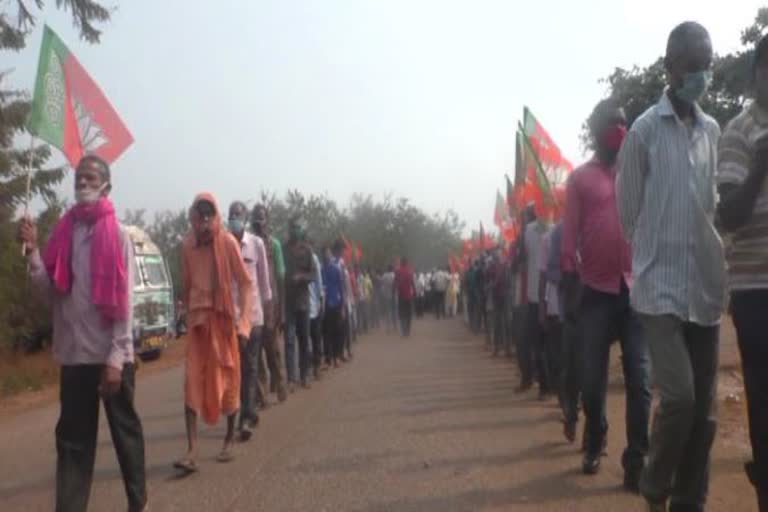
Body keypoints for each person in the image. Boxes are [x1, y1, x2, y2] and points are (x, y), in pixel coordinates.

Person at [617, 22, 725, 512]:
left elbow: (713, 205)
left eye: (707, 65)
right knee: (679, 397)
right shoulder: (642, 133)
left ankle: (688, 502)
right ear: (669, 66)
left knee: (705, 418)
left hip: (704, 287)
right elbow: (628, 214)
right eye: (691, 66)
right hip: (659, 289)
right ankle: (654, 487)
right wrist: (655, 253)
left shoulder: (712, 132)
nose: (700, 75)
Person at [18, 155, 147, 512]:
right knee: (73, 445)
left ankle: (139, 502)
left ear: (106, 185)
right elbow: (47, 293)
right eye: (79, 178)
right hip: (74, 357)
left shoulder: (118, 234)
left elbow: (126, 301)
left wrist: (117, 360)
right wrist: (33, 253)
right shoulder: (64, 232)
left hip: (110, 358)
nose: (83, 183)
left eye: (91, 177)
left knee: (125, 436)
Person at [563, 98, 651, 488]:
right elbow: (569, 239)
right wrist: (570, 289)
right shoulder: (580, 179)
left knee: (641, 379)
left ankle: (637, 460)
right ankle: (595, 436)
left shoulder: (638, 173)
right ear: (598, 130)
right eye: (614, 125)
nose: (621, 131)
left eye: (624, 125)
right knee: (593, 382)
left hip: (635, 290)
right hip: (595, 293)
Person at [716, 33, 768, 511]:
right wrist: (759, 168)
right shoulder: (738, 133)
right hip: (756, 290)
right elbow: (727, 215)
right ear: (757, 72)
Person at [175, 193, 253, 472]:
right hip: (197, 325)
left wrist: (244, 324)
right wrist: (183, 315)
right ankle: (192, 449)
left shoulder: (228, 242)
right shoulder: (186, 247)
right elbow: (185, 286)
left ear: (216, 216)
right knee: (191, 382)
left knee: (229, 380)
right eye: (200, 217)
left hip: (223, 324)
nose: (205, 223)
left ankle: (229, 438)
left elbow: (245, 284)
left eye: (210, 216)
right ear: (193, 219)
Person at [228, 201, 272, 441]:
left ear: (244, 219)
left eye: (238, 215)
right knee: (236, 368)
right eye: (231, 214)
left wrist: (269, 314)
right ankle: (248, 411)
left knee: (251, 365)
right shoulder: (223, 244)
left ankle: (246, 416)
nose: (234, 218)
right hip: (230, 319)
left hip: (253, 316)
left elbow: (264, 282)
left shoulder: (256, 245)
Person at [251, 204, 288, 404]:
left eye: (262, 218)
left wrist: (281, 311)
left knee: (272, 350)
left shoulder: (274, 245)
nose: (259, 222)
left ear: (268, 220)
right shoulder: (246, 244)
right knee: (255, 353)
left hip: (270, 305)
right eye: (256, 218)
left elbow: (281, 278)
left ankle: (280, 384)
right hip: (252, 306)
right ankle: (261, 393)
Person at [517, 209, 550, 399]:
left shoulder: (527, 232)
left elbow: (520, 260)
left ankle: (543, 386)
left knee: (536, 344)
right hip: (552, 296)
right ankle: (550, 386)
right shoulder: (555, 227)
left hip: (534, 295)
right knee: (551, 345)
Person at [283, 216, 317, 389]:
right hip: (288, 302)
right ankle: (291, 379)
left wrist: (301, 277)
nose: (296, 230)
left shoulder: (307, 251)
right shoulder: (283, 249)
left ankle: (304, 375)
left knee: (304, 339)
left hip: (303, 302)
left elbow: (313, 275)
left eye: (298, 227)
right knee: (289, 340)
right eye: (293, 227)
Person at [323, 242, 347, 366]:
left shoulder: (336, 269)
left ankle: (337, 356)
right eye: (325, 254)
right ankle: (330, 357)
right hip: (326, 304)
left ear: (330, 254)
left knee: (337, 331)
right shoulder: (322, 270)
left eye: (328, 253)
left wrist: (343, 306)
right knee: (328, 332)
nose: (327, 256)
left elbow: (341, 287)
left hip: (337, 303)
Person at [308, 245, 325, 379]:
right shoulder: (295, 256)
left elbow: (319, 281)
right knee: (304, 339)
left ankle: (317, 366)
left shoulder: (314, 258)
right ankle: (308, 367)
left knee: (316, 337)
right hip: (302, 306)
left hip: (315, 304)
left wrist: (321, 300)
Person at [394, 257, 416, 337]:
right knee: (409, 314)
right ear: (406, 263)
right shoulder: (410, 271)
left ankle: (403, 331)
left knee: (402, 314)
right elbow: (412, 282)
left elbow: (395, 283)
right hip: (409, 296)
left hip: (401, 296)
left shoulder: (397, 271)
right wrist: (415, 292)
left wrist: (393, 293)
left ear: (401, 263)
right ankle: (408, 331)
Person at [380, 265, 397, 332]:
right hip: (394, 295)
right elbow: (396, 284)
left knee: (388, 311)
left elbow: (382, 284)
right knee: (394, 311)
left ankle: (388, 327)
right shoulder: (394, 275)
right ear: (392, 269)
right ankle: (395, 326)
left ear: (387, 269)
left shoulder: (384, 275)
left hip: (387, 295)